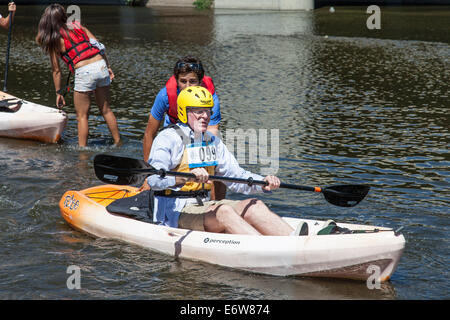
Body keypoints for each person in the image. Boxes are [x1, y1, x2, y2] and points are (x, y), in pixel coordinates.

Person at [147, 86, 301, 236]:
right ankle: (265, 249)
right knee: (224, 211)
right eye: (199, 111)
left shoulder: (212, 141)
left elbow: (235, 176)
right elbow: (153, 179)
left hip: (204, 206)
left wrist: (263, 182)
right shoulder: (168, 138)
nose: (205, 116)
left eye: (208, 111)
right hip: (174, 213)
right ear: (184, 112)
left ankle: (295, 241)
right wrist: (184, 177)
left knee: (255, 205)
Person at [35, 3, 121, 147]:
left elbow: (56, 70)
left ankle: (82, 153)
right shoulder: (78, 27)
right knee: (106, 110)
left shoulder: (54, 40)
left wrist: (58, 93)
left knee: (82, 116)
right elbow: (98, 45)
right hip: (100, 65)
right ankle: (118, 142)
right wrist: (108, 66)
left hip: (85, 71)